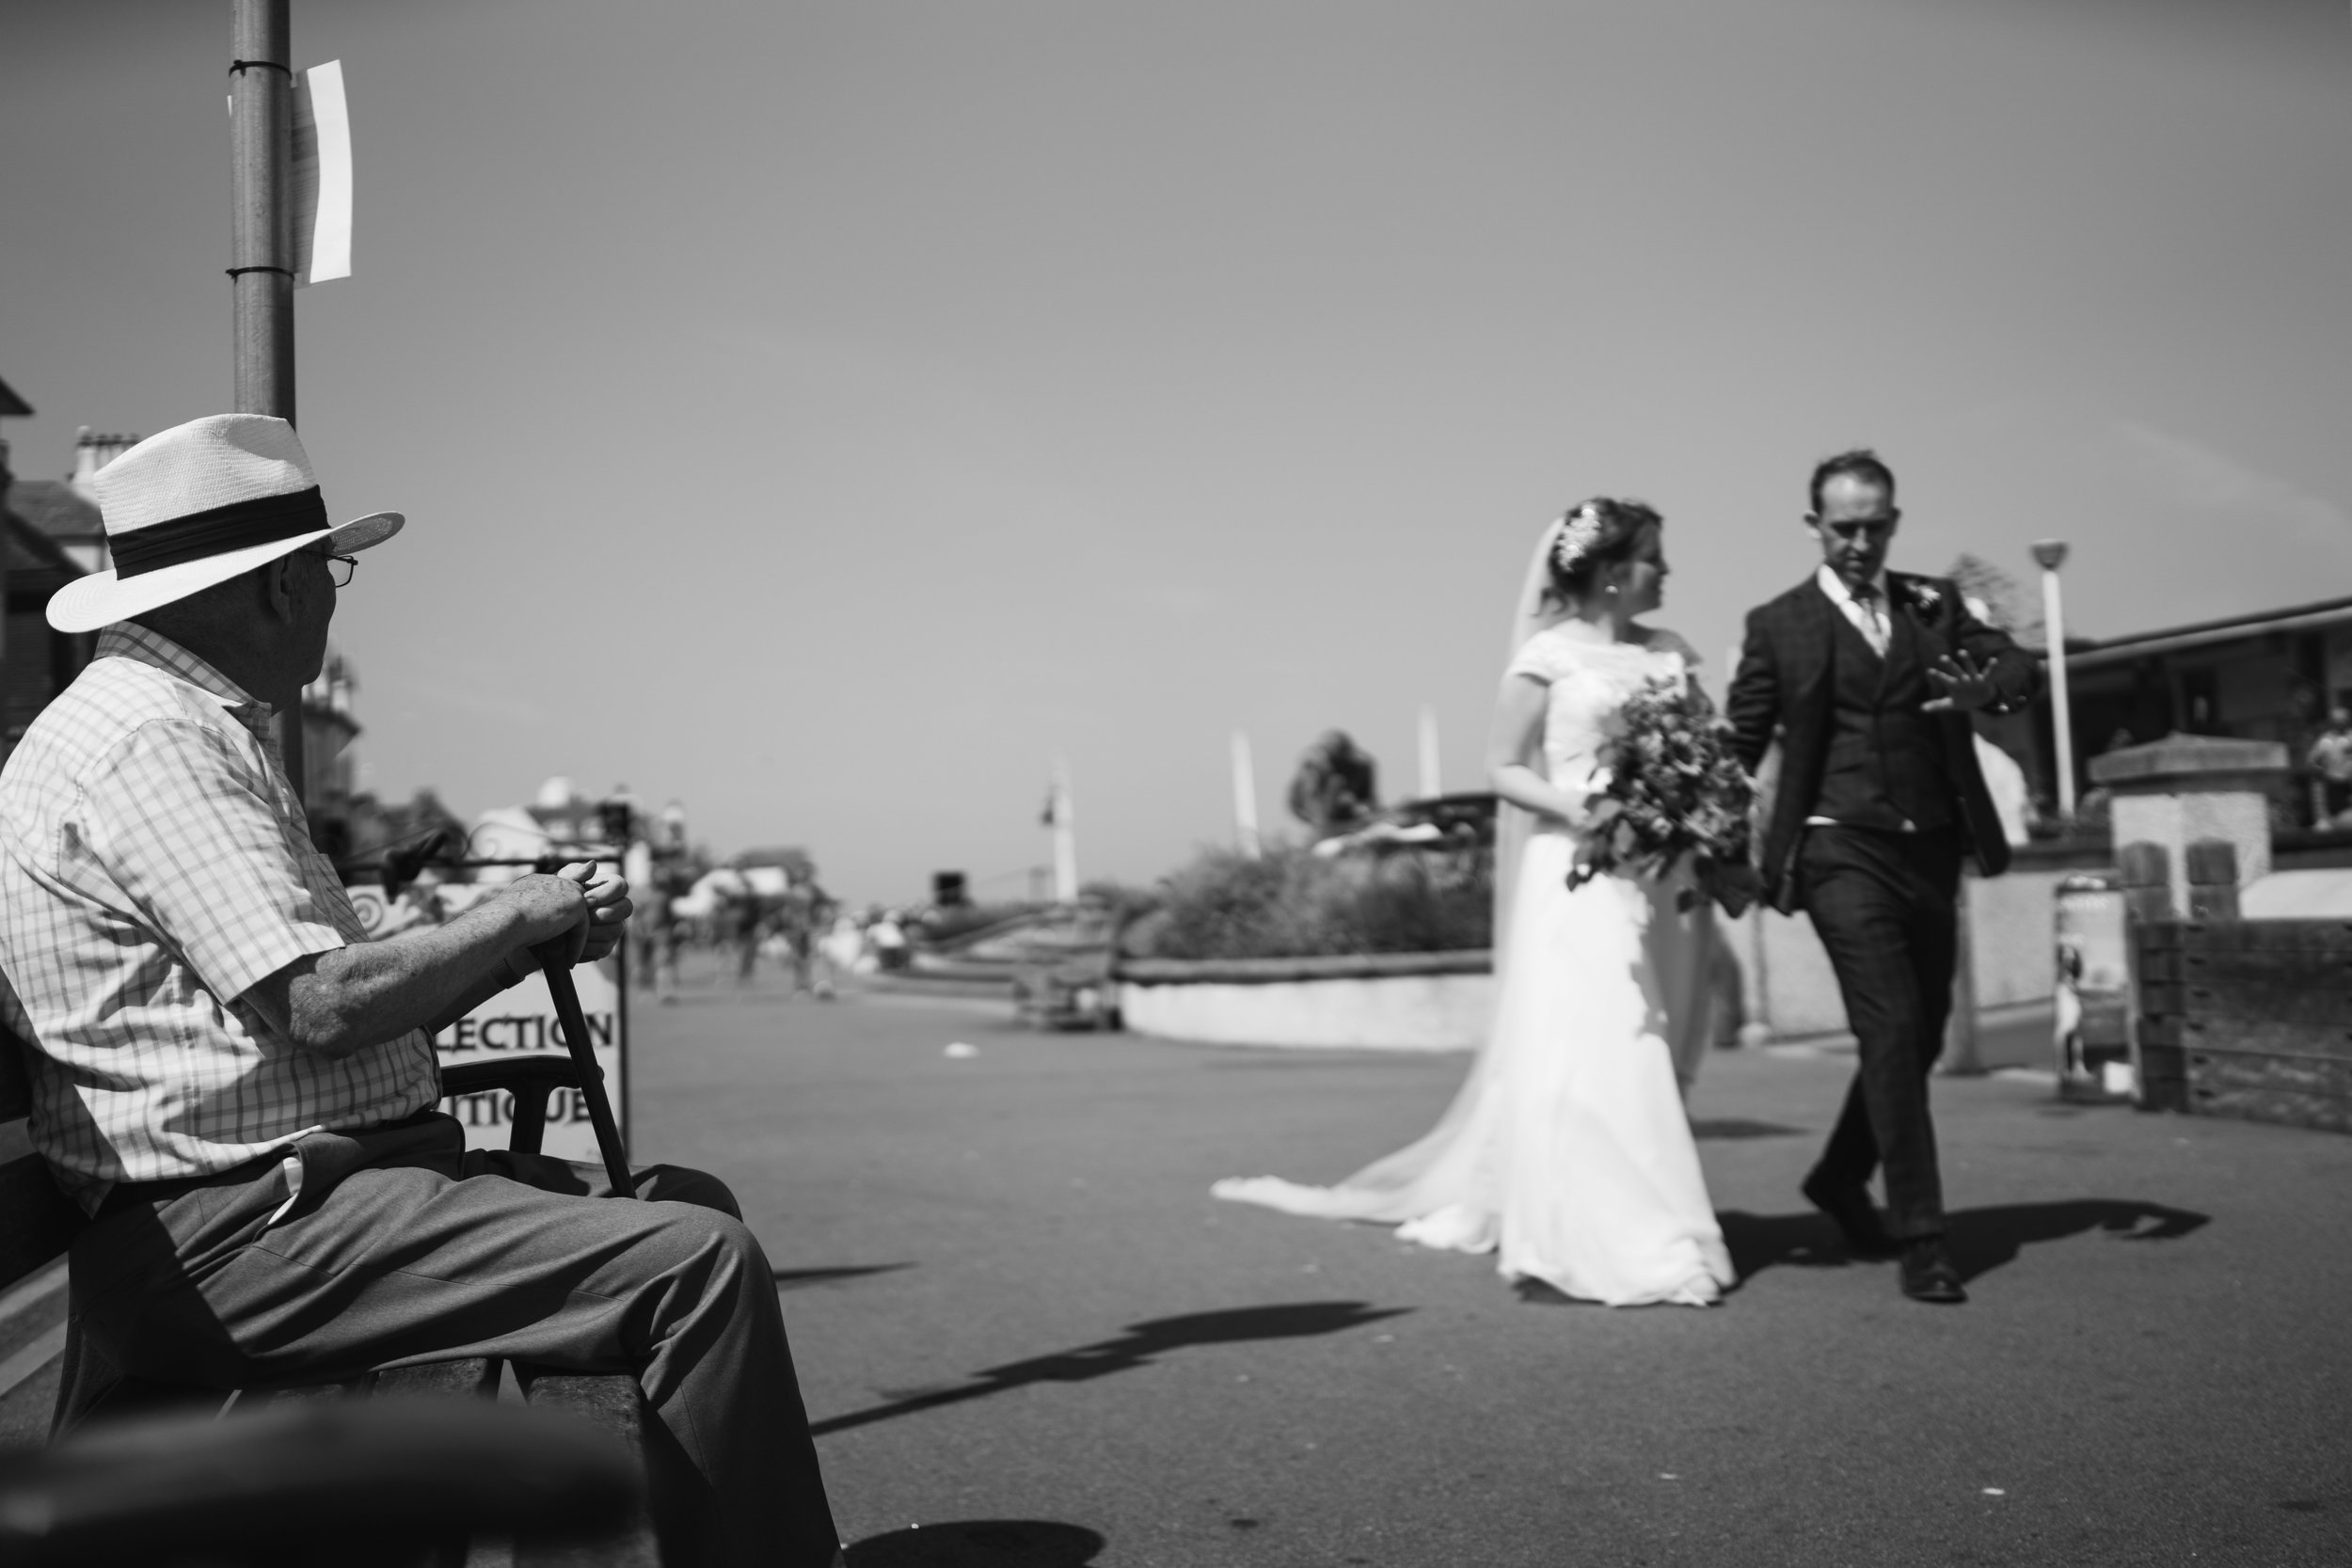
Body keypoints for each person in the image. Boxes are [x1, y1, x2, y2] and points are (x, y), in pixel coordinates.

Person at [0, 415, 842, 1566]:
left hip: (290, 1202)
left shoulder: (175, 729)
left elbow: (312, 1014)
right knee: (697, 1262)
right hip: (249, 1233)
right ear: (280, 585)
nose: (336, 598)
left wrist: (509, 943)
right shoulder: (156, 744)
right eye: (331, 571)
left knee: (690, 1198)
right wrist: (512, 913)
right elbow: (321, 1006)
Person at [1216, 499, 1736, 1308]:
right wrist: (1585, 808)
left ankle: (1634, 1206)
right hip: (1579, 869)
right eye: (1653, 557)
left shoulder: (1670, 654)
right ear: (1609, 572)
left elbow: (1703, 747)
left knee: (1658, 1038)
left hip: (1659, 875)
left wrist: (1696, 803)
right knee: (1604, 1040)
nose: (1666, 570)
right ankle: (1621, 1232)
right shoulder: (1548, 658)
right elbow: (1503, 767)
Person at [1726, 449, 2038, 1307]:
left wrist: (1990, 691)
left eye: (1874, 526)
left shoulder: (1934, 602)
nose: (1859, 542)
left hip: (1930, 842)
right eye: (1842, 527)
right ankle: (1923, 1235)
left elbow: (2014, 667)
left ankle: (1837, 1177)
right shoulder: (1778, 623)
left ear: (1894, 521)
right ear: (1814, 527)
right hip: (1834, 846)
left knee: (1923, 1028)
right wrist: (1707, 832)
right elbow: (1742, 743)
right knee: (1892, 1023)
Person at [2308, 706, 2352, 824]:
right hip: (2335, 782)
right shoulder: (2325, 740)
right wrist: (2320, 770)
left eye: (2343, 720)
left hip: (2349, 781)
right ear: (2332, 722)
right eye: (2338, 721)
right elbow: (2312, 761)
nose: (2341, 723)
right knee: (2339, 814)